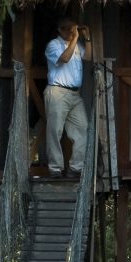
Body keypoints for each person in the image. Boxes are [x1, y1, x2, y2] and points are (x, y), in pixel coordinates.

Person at [43, 17, 91, 179]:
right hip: (57, 91)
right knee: (55, 130)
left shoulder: (77, 45)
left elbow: (88, 57)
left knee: (83, 128)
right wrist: (75, 38)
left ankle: (76, 168)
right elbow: (64, 58)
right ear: (61, 30)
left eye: (74, 30)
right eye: (70, 31)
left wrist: (87, 38)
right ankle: (55, 168)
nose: (72, 33)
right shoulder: (53, 45)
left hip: (75, 94)